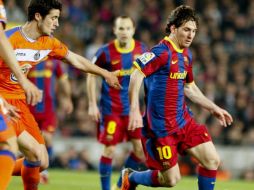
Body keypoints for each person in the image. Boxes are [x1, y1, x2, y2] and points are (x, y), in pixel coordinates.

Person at [0, 0, 121, 189]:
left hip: (21, 103)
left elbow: (75, 60)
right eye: (54, 18)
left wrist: (105, 73)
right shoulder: (7, 39)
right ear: (38, 16)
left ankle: (3, 168)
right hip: (3, 102)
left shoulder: (47, 43)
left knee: (43, 161)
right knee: (32, 153)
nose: (57, 23)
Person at [121, 5, 233, 190]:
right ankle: (131, 178)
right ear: (173, 28)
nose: (191, 35)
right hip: (161, 129)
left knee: (212, 160)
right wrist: (134, 110)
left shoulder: (186, 55)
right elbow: (136, 74)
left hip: (183, 122)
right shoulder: (160, 52)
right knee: (171, 180)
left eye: (194, 31)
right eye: (186, 30)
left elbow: (189, 87)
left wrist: (213, 107)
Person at [87, 16, 147, 190]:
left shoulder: (142, 50)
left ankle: (120, 185)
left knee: (139, 150)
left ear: (133, 30)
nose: (124, 32)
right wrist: (92, 103)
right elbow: (91, 74)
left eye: (128, 28)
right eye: (121, 28)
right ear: (114, 30)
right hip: (111, 109)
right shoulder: (105, 52)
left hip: (133, 110)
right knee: (110, 150)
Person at [0, 0, 42, 189]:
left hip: (17, 102)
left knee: (36, 155)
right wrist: (23, 80)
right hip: (9, 98)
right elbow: (0, 39)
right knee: (9, 146)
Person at [28, 58, 73, 184]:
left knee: (47, 137)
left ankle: (44, 171)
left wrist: (67, 98)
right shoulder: (28, 59)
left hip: (48, 109)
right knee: (31, 143)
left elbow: (63, 81)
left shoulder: (54, 62)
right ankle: (31, 170)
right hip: (29, 108)